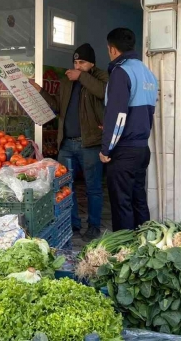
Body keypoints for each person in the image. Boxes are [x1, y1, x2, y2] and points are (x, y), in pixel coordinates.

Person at [30, 43, 108, 241]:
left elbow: (103, 93)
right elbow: (57, 105)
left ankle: (93, 226)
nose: (77, 65)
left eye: (82, 62)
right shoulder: (67, 81)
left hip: (90, 143)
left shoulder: (101, 77)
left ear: (92, 63)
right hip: (66, 144)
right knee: (66, 186)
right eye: (75, 62)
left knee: (93, 188)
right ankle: (72, 223)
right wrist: (41, 91)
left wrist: (81, 76)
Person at [99, 28, 158, 231]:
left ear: (113, 49)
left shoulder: (120, 72)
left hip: (124, 150)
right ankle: (145, 247)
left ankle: (123, 252)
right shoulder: (148, 73)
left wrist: (106, 149)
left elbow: (118, 116)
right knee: (138, 200)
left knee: (122, 204)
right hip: (142, 149)